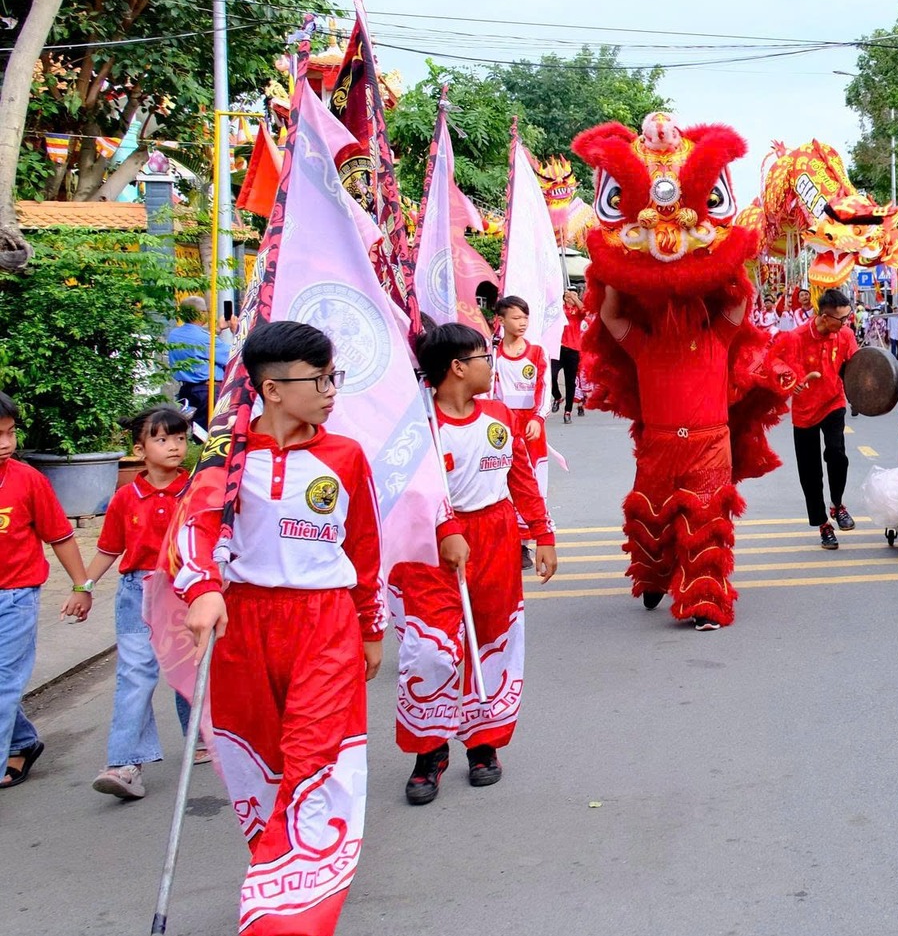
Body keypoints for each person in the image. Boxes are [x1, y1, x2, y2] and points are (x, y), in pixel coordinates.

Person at [175, 321, 389, 933]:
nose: (330, 391)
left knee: (314, 757)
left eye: (332, 377)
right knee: (257, 761)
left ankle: (289, 914)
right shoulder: (226, 454)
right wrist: (203, 590)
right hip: (243, 622)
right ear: (271, 388)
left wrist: (369, 625)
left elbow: (365, 546)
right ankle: (280, 869)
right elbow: (194, 530)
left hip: (324, 620)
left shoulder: (344, 456)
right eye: (318, 378)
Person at [395, 323, 556, 805]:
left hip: (496, 538)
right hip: (432, 549)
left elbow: (521, 477)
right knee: (432, 651)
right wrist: (444, 530)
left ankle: (482, 744)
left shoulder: (499, 414)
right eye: (483, 356)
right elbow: (401, 496)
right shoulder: (417, 425)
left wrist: (542, 534)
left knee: (491, 641)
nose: (492, 363)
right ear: (458, 368)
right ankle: (430, 750)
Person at [81, 405, 196, 800]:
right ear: (140, 448)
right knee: (135, 676)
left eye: (180, 438)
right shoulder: (125, 498)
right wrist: (85, 587)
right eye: (162, 439)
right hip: (136, 593)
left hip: (184, 593)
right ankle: (125, 763)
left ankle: (200, 737)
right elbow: (109, 548)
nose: (174, 447)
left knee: (191, 670)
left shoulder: (196, 492)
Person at [0, 390, 91, 789]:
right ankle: (21, 742)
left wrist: (81, 586)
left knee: (3, 683)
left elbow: (61, 536)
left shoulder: (27, 480)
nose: (5, 443)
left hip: (15, 597)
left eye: (10, 432)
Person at [771, 288, 859, 549]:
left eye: (847, 318)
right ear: (824, 317)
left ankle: (838, 504)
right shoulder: (795, 337)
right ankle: (823, 524)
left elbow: (857, 366)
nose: (846, 324)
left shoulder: (844, 335)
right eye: (841, 319)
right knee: (810, 473)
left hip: (834, 402)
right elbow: (773, 360)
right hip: (805, 412)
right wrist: (790, 381)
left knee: (837, 454)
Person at [489, 295, 551, 546]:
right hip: (501, 424)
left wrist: (538, 417)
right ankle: (507, 537)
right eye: (516, 318)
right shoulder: (491, 353)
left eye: (525, 317)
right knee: (499, 475)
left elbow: (544, 387)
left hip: (530, 425)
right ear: (500, 320)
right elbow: (487, 391)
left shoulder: (536, 352)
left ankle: (526, 542)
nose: (522, 323)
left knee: (531, 480)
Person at [166, 296, 229, 431]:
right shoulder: (205, 338)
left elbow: (201, 346)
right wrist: (237, 331)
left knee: (194, 432)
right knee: (210, 433)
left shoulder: (173, 335)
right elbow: (231, 356)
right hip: (207, 392)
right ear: (201, 313)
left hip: (186, 391)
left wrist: (217, 330)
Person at [553, 290, 585, 424]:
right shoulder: (560, 309)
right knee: (551, 375)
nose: (572, 297)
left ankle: (568, 411)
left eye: (576, 295)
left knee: (570, 382)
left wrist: (575, 298)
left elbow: (585, 310)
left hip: (573, 350)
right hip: (558, 348)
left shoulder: (578, 312)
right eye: (570, 295)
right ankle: (558, 397)